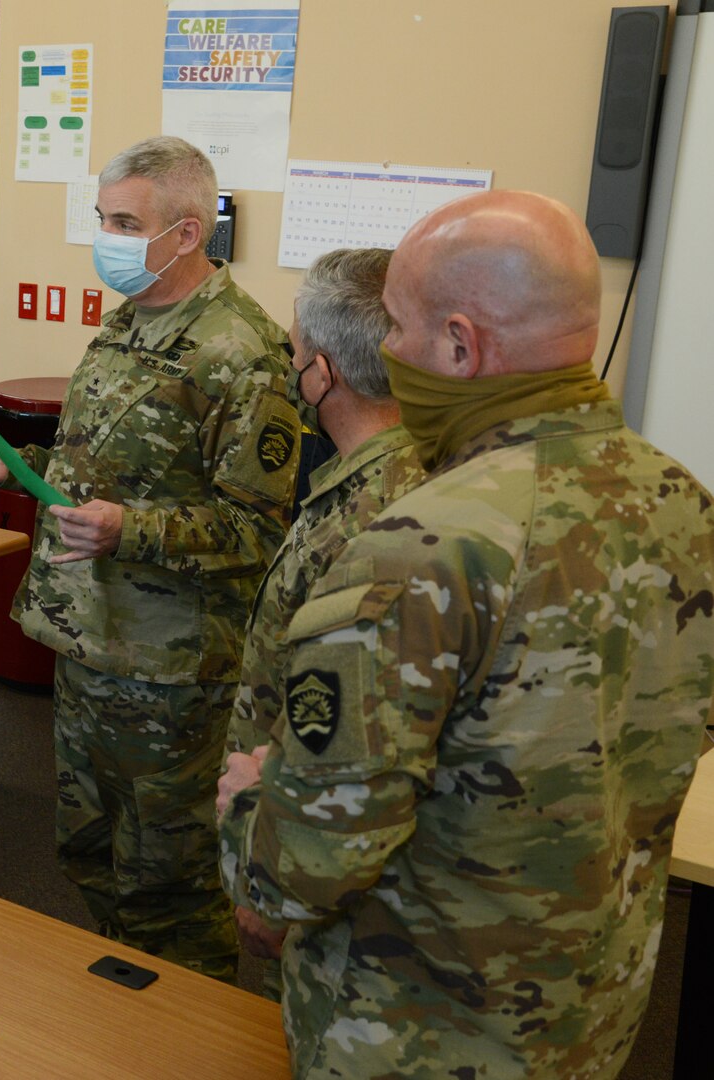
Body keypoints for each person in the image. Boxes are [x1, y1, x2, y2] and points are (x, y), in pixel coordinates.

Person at [217, 191, 714, 1077]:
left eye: (400, 330)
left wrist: (247, 806)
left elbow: (309, 859)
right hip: (589, 1009)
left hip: (417, 1030)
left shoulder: (422, 545)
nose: (390, 354)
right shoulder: (681, 503)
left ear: (458, 343)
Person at [0, 136, 299, 981]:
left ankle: (181, 1039)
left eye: (125, 222)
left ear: (187, 231)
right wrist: (10, 469)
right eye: (103, 219)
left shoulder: (242, 353)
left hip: (173, 669)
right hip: (90, 639)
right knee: (87, 852)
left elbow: (257, 529)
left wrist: (132, 529)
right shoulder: (132, 318)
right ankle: (124, 1022)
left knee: (167, 883)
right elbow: (100, 470)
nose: (107, 237)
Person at [221, 247, 424, 995]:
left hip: (318, 863)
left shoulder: (368, 519)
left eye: (295, 349)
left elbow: (337, 729)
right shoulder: (401, 476)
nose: (290, 365)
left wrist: (273, 877)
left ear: (322, 373)